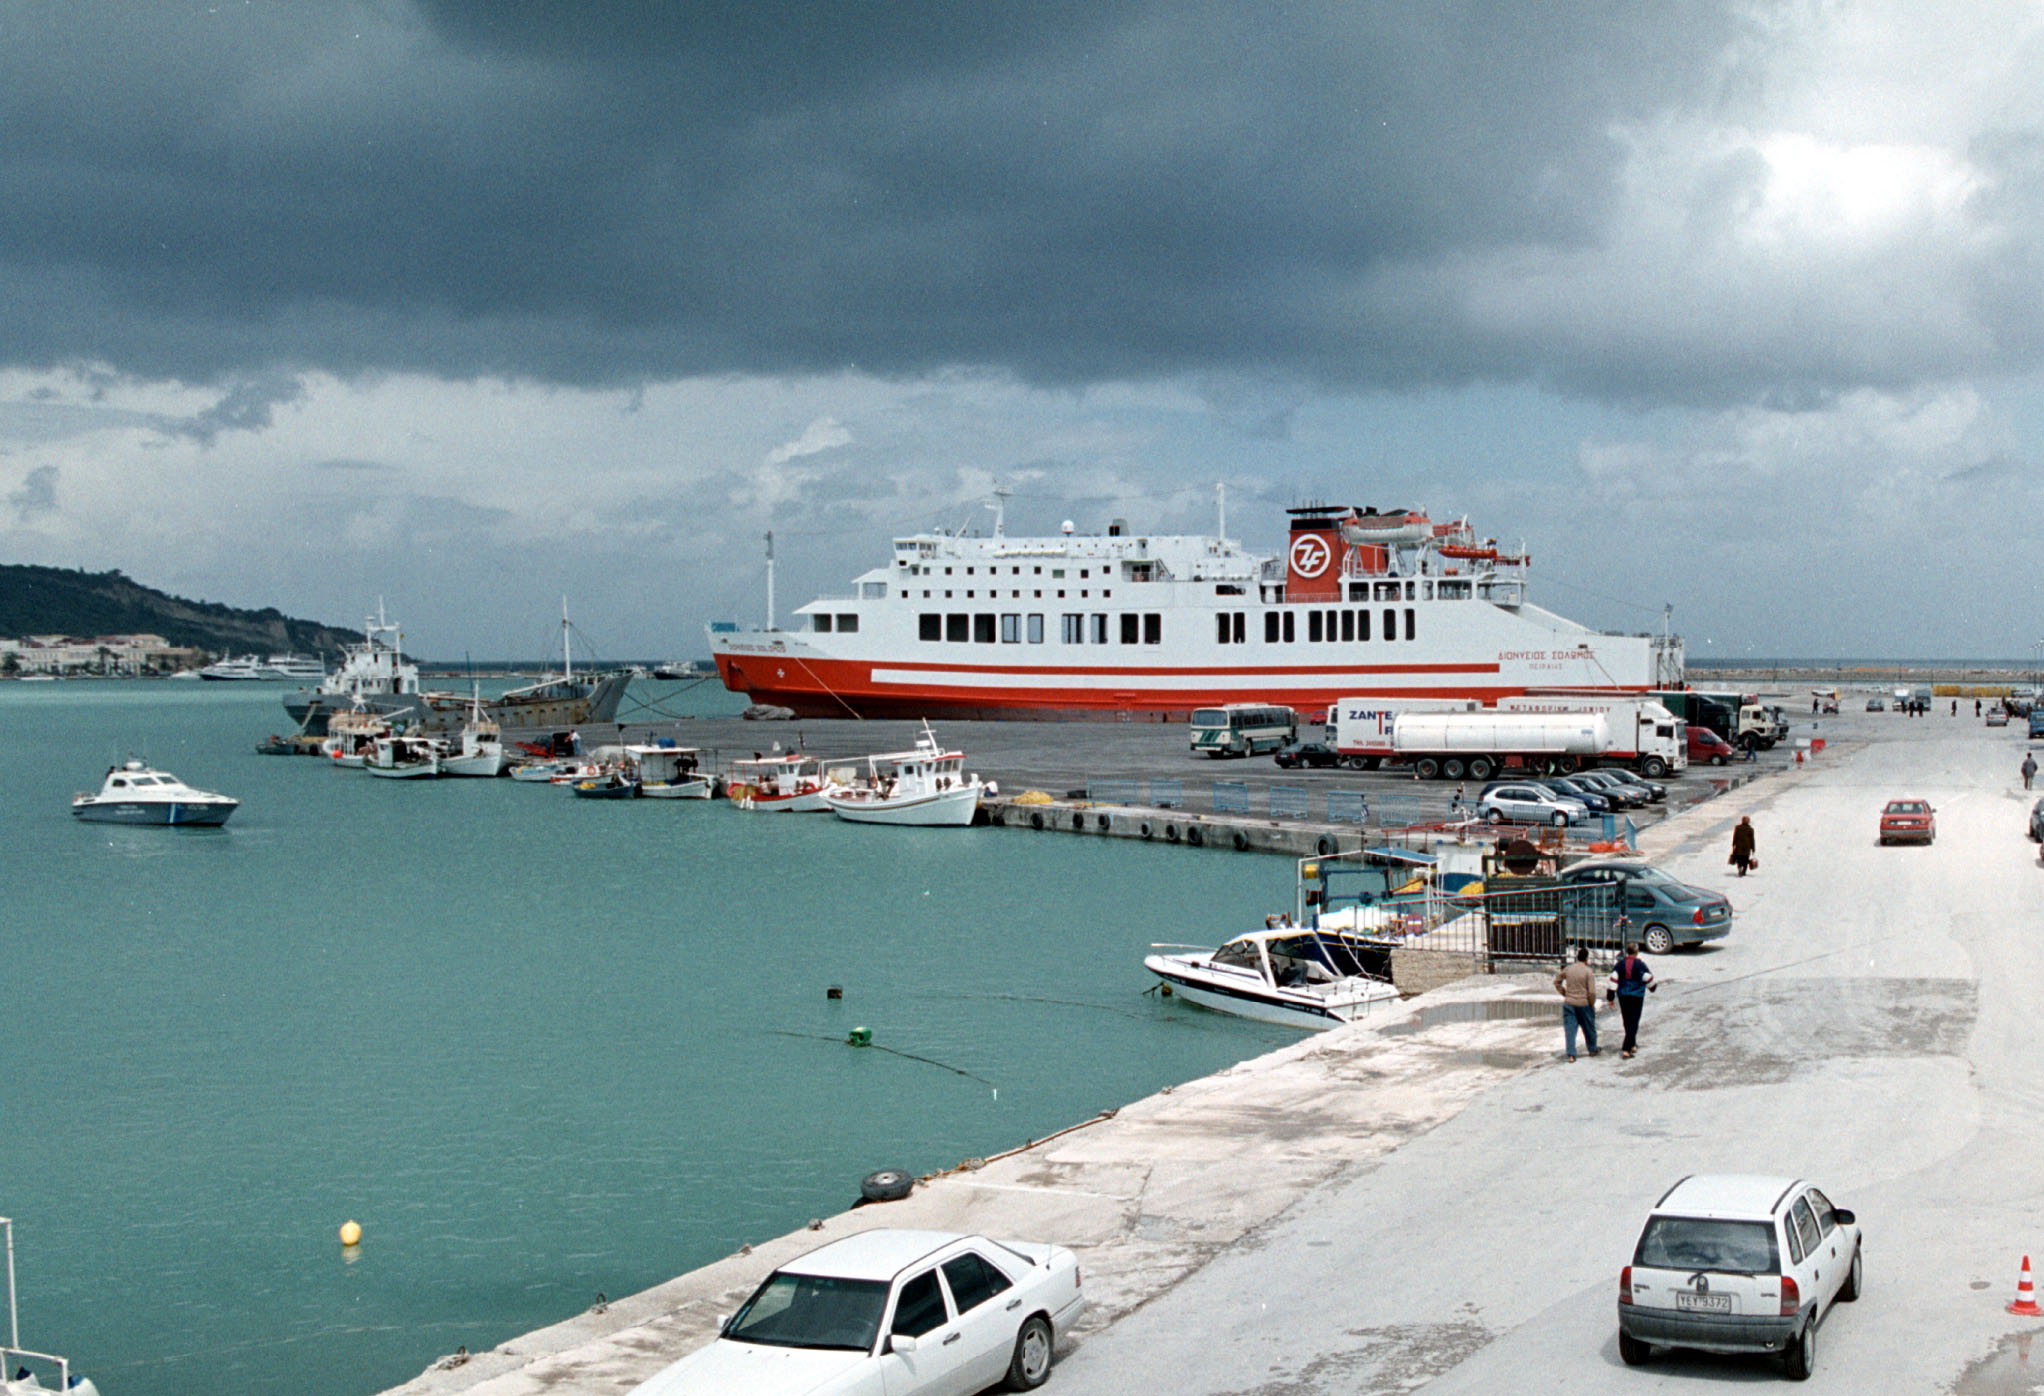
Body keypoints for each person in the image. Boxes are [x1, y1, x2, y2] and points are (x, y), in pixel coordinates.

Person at [1607, 943, 1658, 1058]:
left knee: (1627, 1020)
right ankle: (1626, 1048)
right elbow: (1648, 979)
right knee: (1634, 1021)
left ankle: (1633, 1043)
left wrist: (1610, 997)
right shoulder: (1641, 965)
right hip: (1637, 996)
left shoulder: (1619, 965)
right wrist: (1653, 987)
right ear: (1637, 951)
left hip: (1623, 996)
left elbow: (1613, 980)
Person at [1553, 947, 1600, 1061]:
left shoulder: (1568, 969)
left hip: (1569, 1003)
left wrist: (1564, 993)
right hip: (1584, 1004)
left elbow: (1557, 981)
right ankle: (1592, 1049)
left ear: (1577, 957)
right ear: (1586, 959)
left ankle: (1571, 1054)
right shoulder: (1588, 972)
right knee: (1589, 1028)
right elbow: (1592, 992)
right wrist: (1591, 1003)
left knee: (1570, 1029)